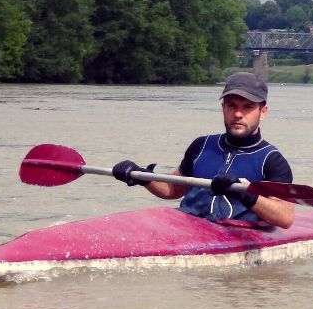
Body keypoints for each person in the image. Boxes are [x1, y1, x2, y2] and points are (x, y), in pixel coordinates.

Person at [111, 72, 295, 228]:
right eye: (231, 105)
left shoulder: (271, 160)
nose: (238, 114)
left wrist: (245, 193)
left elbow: (285, 217)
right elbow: (172, 189)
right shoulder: (201, 146)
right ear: (223, 108)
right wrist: (141, 176)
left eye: (248, 107)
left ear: (263, 112)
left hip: (238, 234)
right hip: (188, 228)